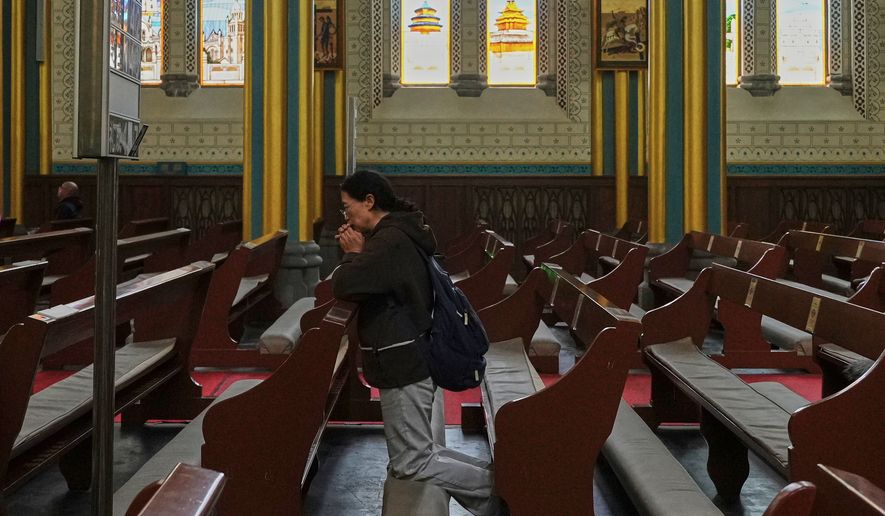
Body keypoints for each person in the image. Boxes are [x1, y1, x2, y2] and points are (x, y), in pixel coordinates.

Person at [331, 170, 502, 515]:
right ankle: (501, 490)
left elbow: (346, 284)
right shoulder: (398, 234)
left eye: (347, 207)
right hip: (408, 357)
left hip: (402, 361)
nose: (345, 216)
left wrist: (352, 255)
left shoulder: (390, 241)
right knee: (416, 454)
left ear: (369, 201)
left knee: (411, 462)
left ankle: (502, 493)